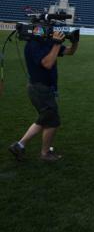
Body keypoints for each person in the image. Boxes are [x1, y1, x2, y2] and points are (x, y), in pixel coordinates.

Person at [8, 30, 79, 161]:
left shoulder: (46, 42)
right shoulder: (33, 44)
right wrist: (56, 43)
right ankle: (45, 153)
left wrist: (75, 42)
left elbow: (69, 51)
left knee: (45, 118)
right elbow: (47, 63)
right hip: (39, 88)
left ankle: (19, 145)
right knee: (52, 121)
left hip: (43, 87)